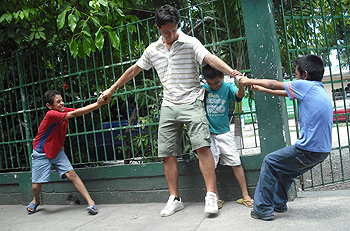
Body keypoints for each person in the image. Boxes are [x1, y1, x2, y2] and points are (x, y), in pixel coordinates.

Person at [99, 5, 242, 217]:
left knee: (203, 147)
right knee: (167, 153)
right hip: (168, 105)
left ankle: (211, 195)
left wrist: (233, 72)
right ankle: (174, 198)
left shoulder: (190, 43)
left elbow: (209, 58)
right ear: (157, 27)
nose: (172, 34)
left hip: (192, 100)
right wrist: (112, 89)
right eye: (167, 31)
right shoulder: (152, 50)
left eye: (175, 29)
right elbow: (134, 70)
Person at [239, 54, 333, 220]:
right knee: (285, 172)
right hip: (321, 151)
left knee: (270, 161)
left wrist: (247, 81)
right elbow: (283, 92)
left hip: (308, 149)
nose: (294, 78)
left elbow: (274, 84)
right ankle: (279, 203)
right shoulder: (316, 89)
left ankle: (263, 208)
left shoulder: (304, 85)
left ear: (304, 74)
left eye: (296, 74)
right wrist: (260, 89)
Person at [26, 90, 107, 215]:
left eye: (62, 100)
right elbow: (74, 115)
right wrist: (98, 104)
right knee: (36, 187)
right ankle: (36, 200)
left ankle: (91, 203)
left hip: (57, 151)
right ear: (49, 106)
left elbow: (79, 110)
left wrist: (98, 103)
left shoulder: (62, 110)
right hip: (41, 153)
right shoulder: (51, 114)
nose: (62, 103)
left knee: (72, 174)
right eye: (58, 102)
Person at [202, 64, 253, 209]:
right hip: (209, 135)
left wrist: (241, 85)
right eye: (210, 83)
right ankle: (216, 198)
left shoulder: (228, 87)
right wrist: (203, 92)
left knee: (236, 163)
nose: (214, 86)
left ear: (222, 77)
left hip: (224, 133)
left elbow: (239, 96)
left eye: (217, 82)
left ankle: (245, 195)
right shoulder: (204, 89)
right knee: (210, 167)